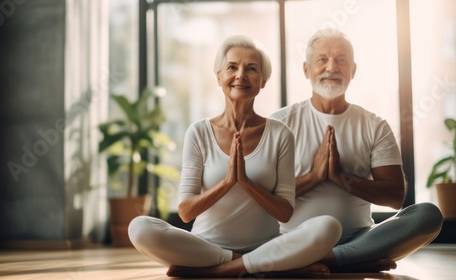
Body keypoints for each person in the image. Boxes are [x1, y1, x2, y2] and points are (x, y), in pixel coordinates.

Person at [128, 34, 342, 278]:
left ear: (263, 81)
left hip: (265, 245)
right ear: (219, 76)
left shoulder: (280, 134)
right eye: (232, 67)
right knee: (140, 227)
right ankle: (253, 264)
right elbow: (186, 212)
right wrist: (228, 182)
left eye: (251, 69)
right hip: (206, 247)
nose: (241, 75)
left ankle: (218, 271)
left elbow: (285, 213)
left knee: (328, 226)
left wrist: (247, 183)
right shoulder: (199, 132)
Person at [271, 28, 444, 273]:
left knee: (428, 215)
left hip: (361, 239)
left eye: (341, 60)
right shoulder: (279, 123)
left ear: (353, 70)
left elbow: (395, 197)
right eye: (322, 59)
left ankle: (326, 259)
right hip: (293, 239)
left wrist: (342, 178)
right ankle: (349, 260)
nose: (332, 67)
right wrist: (316, 176)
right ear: (306, 69)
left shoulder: (374, 125)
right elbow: (263, 196)